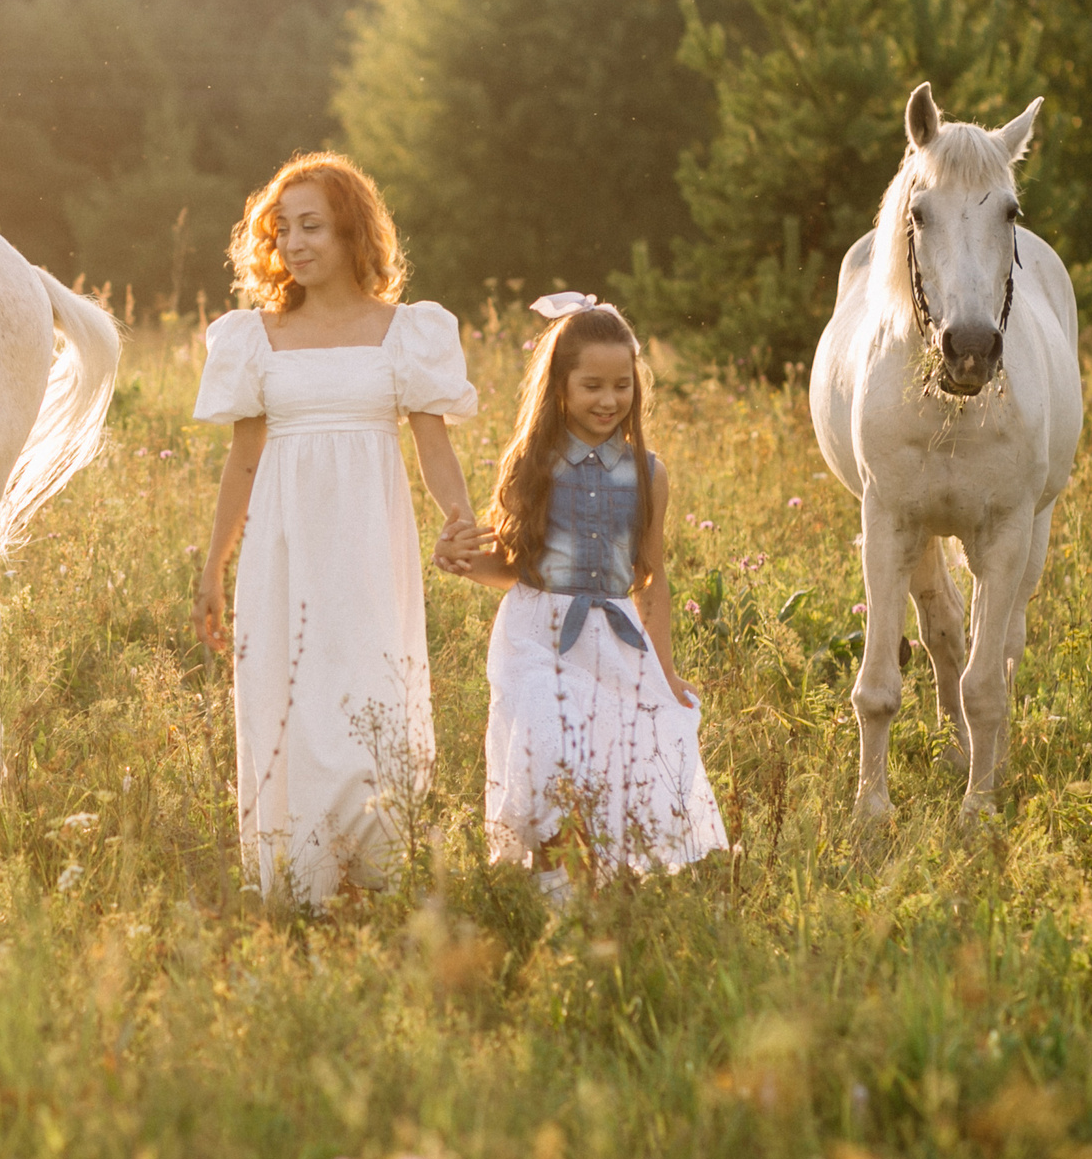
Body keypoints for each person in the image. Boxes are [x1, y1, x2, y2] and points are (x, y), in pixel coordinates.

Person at [192, 152, 478, 906]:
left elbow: (434, 445)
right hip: (281, 552)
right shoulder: (255, 335)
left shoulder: (406, 332)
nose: (293, 243)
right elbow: (243, 462)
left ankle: (378, 877)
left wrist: (461, 517)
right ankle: (299, 882)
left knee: (367, 690)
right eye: (281, 229)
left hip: (367, 549)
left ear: (353, 230)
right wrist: (213, 568)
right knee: (287, 697)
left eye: (311, 226)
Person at [434, 292, 726, 903]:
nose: (608, 399)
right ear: (559, 386)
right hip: (536, 631)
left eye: (622, 385)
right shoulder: (531, 465)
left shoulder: (648, 472)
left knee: (615, 761)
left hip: (614, 637)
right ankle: (551, 885)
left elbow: (650, 575)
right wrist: (463, 563)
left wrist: (666, 671)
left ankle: (604, 885)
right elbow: (514, 567)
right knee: (546, 746)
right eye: (592, 384)